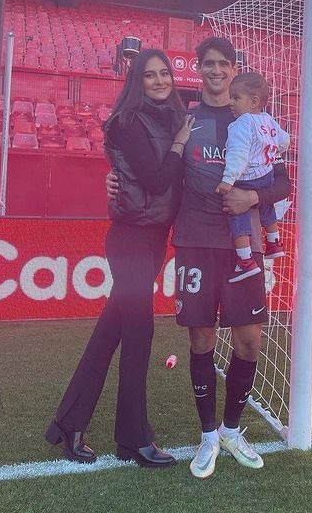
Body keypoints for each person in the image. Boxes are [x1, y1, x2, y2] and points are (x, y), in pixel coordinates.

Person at [107, 36, 291, 479]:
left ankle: (232, 430)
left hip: (242, 243)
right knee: (201, 341)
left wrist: (252, 195)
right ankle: (208, 437)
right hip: (193, 240)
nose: (215, 71)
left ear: (233, 69)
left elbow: (282, 183)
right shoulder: (181, 118)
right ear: (199, 68)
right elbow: (150, 167)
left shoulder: (255, 119)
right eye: (207, 63)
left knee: (250, 341)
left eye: (223, 64)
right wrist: (113, 182)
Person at [45, 48, 194, 468]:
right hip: (130, 238)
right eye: (150, 76)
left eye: (165, 73)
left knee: (109, 333)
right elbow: (158, 177)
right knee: (140, 333)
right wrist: (181, 143)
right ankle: (132, 439)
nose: (161, 81)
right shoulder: (130, 121)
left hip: (154, 239)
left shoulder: (172, 118)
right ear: (137, 81)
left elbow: (172, 181)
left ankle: (68, 424)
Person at [215, 71, 290, 283]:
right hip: (266, 175)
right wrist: (275, 151)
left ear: (253, 101)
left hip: (247, 178)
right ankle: (274, 243)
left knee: (236, 211)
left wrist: (228, 181)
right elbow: (285, 141)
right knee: (266, 206)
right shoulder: (268, 119)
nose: (231, 102)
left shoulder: (241, 123)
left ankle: (245, 260)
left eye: (236, 98)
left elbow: (237, 155)